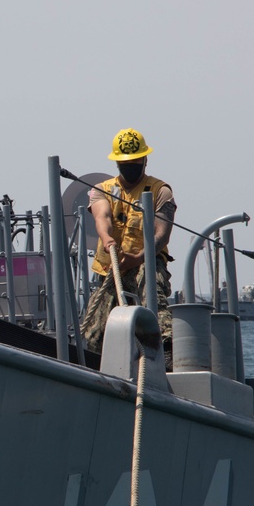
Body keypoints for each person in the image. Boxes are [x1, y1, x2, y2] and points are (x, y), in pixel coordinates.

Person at [79, 128, 177, 365]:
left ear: (145, 160)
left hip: (147, 262)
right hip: (112, 270)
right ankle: (90, 362)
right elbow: (103, 217)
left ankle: (165, 347)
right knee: (93, 330)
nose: (130, 166)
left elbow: (161, 236)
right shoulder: (103, 189)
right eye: (125, 163)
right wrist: (107, 238)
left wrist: (138, 258)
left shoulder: (160, 191)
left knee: (150, 285)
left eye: (135, 162)